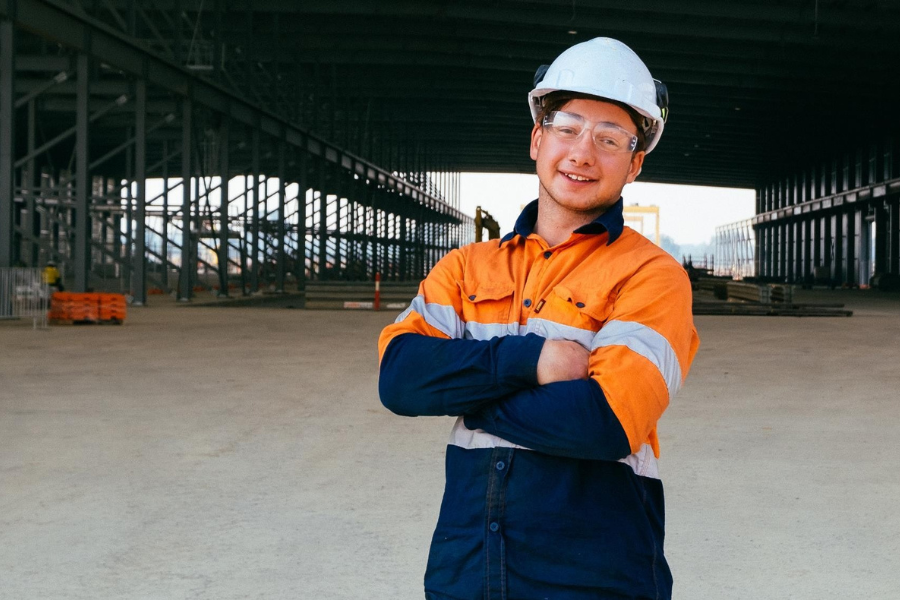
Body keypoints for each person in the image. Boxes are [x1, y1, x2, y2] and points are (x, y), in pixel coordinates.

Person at [377, 37, 700, 600]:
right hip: (468, 569)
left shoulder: (652, 275)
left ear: (634, 163)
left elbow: (602, 423)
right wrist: (532, 359)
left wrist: (460, 389)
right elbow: (401, 379)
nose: (582, 153)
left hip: (596, 575)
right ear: (536, 138)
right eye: (568, 128)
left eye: (609, 139)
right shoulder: (465, 268)